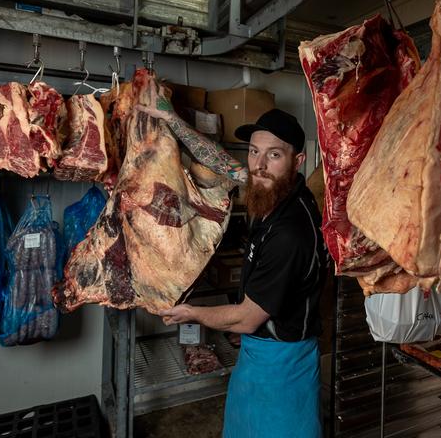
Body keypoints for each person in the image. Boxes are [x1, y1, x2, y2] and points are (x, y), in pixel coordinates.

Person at [138, 88, 328, 438]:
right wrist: (171, 121)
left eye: (274, 155)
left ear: (297, 161)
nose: (258, 165)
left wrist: (192, 313)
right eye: (255, 153)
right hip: (257, 359)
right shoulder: (271, 189)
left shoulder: (291, 232)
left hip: (285, 368)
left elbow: (246, 319)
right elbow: (220, 162)